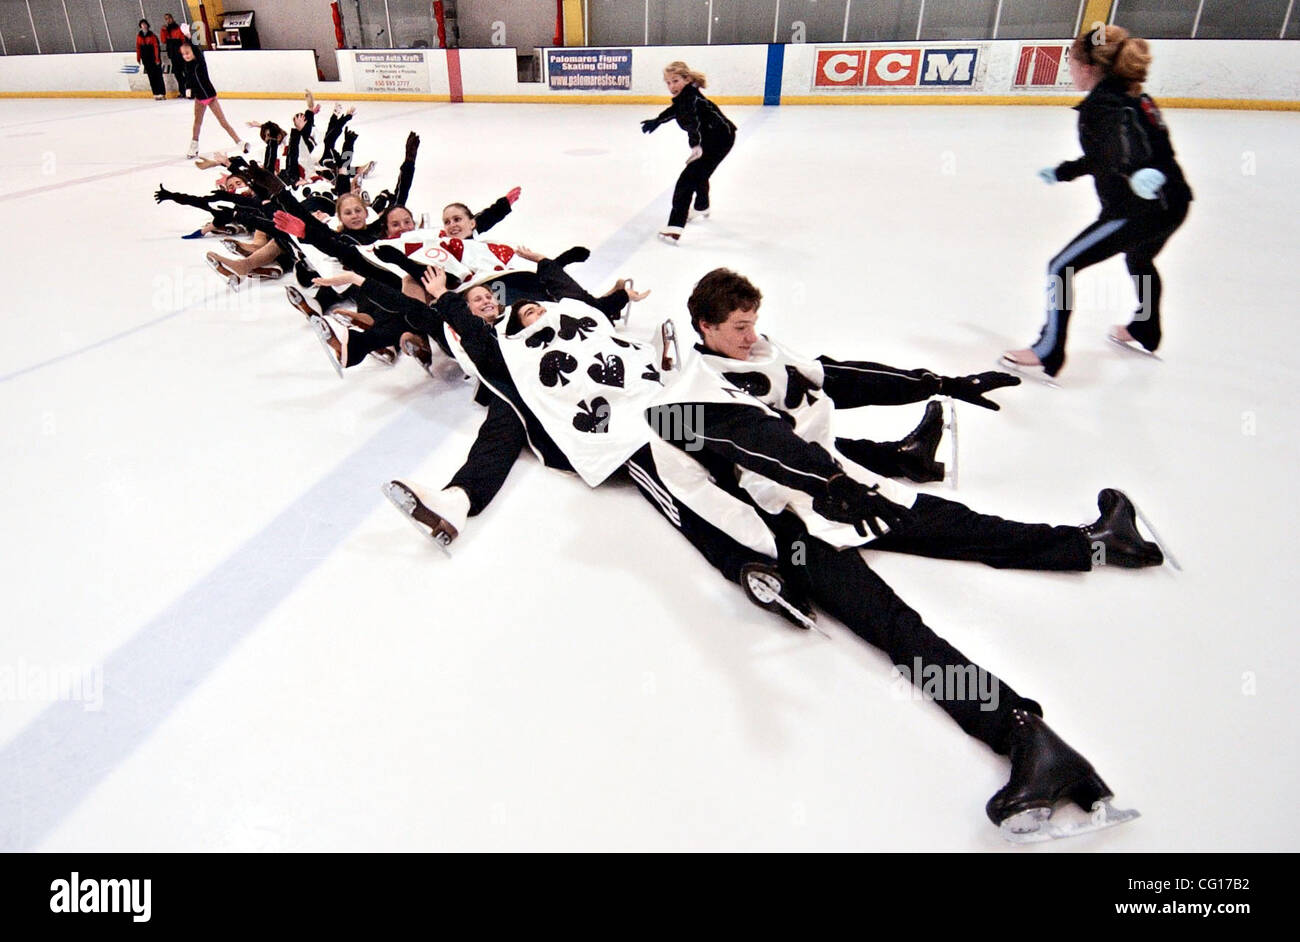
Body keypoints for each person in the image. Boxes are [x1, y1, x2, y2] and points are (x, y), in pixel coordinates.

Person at [644, 269, 1159, 839]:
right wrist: (804, 511)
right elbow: (759, 444)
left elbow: (840, 377)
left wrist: (937, 382)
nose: (750, 336)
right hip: (786, 528)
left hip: (839, 488)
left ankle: (1098, 542)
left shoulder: (761, 354)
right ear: (705, 326)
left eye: (753, 323)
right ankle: (1026, 740)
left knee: (957, 526)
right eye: (739, 327)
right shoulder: (681, 404)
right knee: (896, 630)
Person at [1002, 25, 1193, 380]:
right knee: (1140, 258)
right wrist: (1065, 171)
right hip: (1176, 202)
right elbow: (1113, 153)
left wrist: (1135, 173)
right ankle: (1145, 328)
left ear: (1088, 67)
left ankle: (1048, 350)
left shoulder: (1100, 105)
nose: (1069, 71)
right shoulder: (1135, 96)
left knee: (1061, 268)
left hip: (1139, 209)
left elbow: (1120, 154)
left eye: (1071, 63)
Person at [640, 61, 736, 244]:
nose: (671, 86)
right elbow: (676, 110)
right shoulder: (686, 96)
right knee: (698, 172)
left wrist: (696, 146)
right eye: (668, 83)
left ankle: (674, 227)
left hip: (720, 139)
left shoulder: (690, 98)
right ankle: (702, 206)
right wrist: (657, 121)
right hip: (716, 137)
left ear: (687, 79)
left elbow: (694, 123)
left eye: (675, 81)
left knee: (687, 180)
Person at [177, 41, 246, 158]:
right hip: (199, 98)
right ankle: (194, 146)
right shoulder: (187, 66)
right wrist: (187, 88)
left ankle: (239, 142)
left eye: (187, 53)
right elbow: (188, 79)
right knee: (197, 123)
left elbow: (198, 52)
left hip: (210, 97)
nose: (185, 56)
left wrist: (189, 38)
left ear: (193, 51)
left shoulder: (200, 62)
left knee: (223, 122)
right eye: (183, 54)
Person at [136, 20, 166, 101]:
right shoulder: (139, 36)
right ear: (140, 26)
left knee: (158, 75)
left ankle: (162, 93)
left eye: (145, 24)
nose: (144, 26)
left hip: (154, 59)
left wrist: (157, 59)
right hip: (146, 59)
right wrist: (138, 58)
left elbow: (156, 47)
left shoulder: (152, 36)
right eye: (142, 25)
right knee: (151, 76)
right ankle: (155, 93)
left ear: (147, 25)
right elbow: (138, 47)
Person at [160, 14, 188, 99]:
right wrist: (163, 31)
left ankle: (189, 90)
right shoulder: (166, 30)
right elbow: (163, 40)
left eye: (169, 18)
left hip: (180, 54)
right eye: (166, 19)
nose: (168, 20)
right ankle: (183, 91)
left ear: (172, 18)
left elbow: (183, 40)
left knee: (186, 73)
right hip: (173, 55)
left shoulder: (178, 28)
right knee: (177, 74)